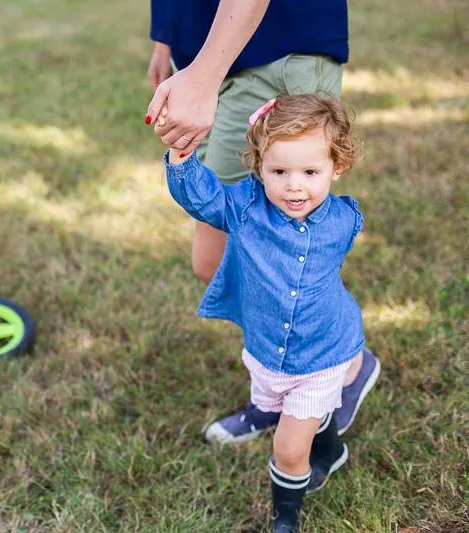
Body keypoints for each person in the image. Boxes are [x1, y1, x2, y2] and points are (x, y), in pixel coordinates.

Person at [145, 0, 380, 442]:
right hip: (201, 53)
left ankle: (341, 367)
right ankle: (280, 390)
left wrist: (204, 74)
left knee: (285, 258)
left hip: (272, 45)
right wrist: (167, 38)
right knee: (214, 262)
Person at [163, 94, 367, 531]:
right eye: (278, 172)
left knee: (289, 448)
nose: (294, 186)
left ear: (337, 167)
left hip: (323, 352)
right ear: (259, 168)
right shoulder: (245, 209)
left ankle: (285, 519)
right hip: (266, 349)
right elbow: (203, 199)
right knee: (284, 407)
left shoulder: (344, 220)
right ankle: (331, 451)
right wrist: (182, 157)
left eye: (310, 172)